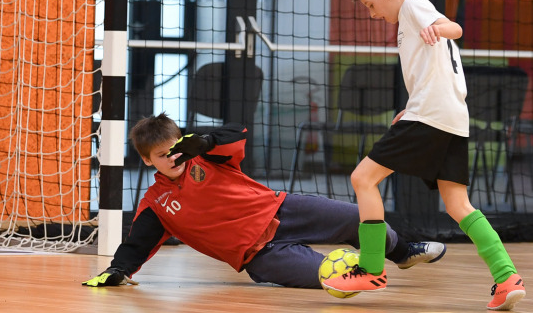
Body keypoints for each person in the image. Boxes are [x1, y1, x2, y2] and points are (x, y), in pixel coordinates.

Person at [321, 0, 525, 311]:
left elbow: (455, 29)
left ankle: (370, 267)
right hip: (451, 117)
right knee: (458, 205)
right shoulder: (409, 19)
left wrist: (440, 28)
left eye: (371, 5)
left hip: (431, 116)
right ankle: (507, 277)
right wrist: (411, 107)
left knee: (363, 178)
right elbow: (437, 72)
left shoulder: (414, 6)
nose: (372, 14)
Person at [82, 113, 446, 290]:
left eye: (176, 150)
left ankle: (402, 254)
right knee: (331, 278)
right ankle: (364, 272)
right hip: (260, 254)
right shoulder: (156, 204)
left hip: (283, 209)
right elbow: (137, 243)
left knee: (355, 216)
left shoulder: (206, 156)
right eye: (162, 156)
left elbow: (238, 132)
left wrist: (205, 141)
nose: (173, 159)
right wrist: (119, 270)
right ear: (147, 160)